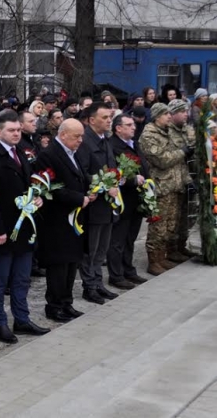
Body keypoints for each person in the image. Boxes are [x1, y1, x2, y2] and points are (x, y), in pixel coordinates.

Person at [0, 109, 50, 344]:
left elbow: (28, 182)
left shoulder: (20, 151)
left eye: (19, 129)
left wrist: (37, 197)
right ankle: (0, 323)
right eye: (11, 130)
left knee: (21, 277)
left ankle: (22, 318)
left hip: (25, 225)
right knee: (0, 278)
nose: (17, 133)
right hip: (4, 228)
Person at [35, 119, 91, 322]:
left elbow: (79, 178)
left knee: (71, 263)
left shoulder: (74, 153)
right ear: (64, 134)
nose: (80, 140)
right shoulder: (48, 155)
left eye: (82, 136)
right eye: (77, 136)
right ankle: (54, 305)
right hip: (56, 221)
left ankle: (67, 303)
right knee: (58, 265)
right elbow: (51, 188)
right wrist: (79, 198)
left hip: (74, 219)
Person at [138, 103, 191, 275]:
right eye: (166, 114)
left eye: (170, 113)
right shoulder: (149, 134)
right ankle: (153, 261)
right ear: (157, 116)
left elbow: (179, 164)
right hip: (160, 186)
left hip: (174, 184)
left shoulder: (167, 132)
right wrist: (182, 152)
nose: (169, 116)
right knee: (158, 226)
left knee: (170, 225)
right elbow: (161, 159)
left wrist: (187, 180)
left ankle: (163, 257)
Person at [76, 102, 120, 304]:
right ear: (92, 120)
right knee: (91, 250)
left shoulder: (105, 140)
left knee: (102, 248)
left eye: (110, 117)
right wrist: (103, 186)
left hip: (108, 205)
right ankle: (89, 286)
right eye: (104, 117)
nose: (109, 120)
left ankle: (98, 284)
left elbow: (110, 167)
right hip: (94, 205)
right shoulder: (85, 142)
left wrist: (119, 179)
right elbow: (83, 173)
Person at [107, 114, 150, 289]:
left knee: (130, 238)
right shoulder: (113, 146)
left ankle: (128, 270)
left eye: (133, 124)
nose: (133, 127)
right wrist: (133, 180)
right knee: (118, 239)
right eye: (129, 124)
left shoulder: (133, 143)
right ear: (118, 128)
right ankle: (116, 275)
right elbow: (115, 172)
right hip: (123, 198)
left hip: (136, 199)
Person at [167, 99, 198, 261]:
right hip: (175, 179)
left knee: (187, 215)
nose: (186, 114)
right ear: (173, 114)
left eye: (187, 111)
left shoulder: (188, 129)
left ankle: (181, 245)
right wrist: (184, 152)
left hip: (190, 178)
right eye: (182, 111)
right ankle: (170, 249)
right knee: (174, 217)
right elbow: (172, 157)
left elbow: (195, 146)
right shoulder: (167, 131)